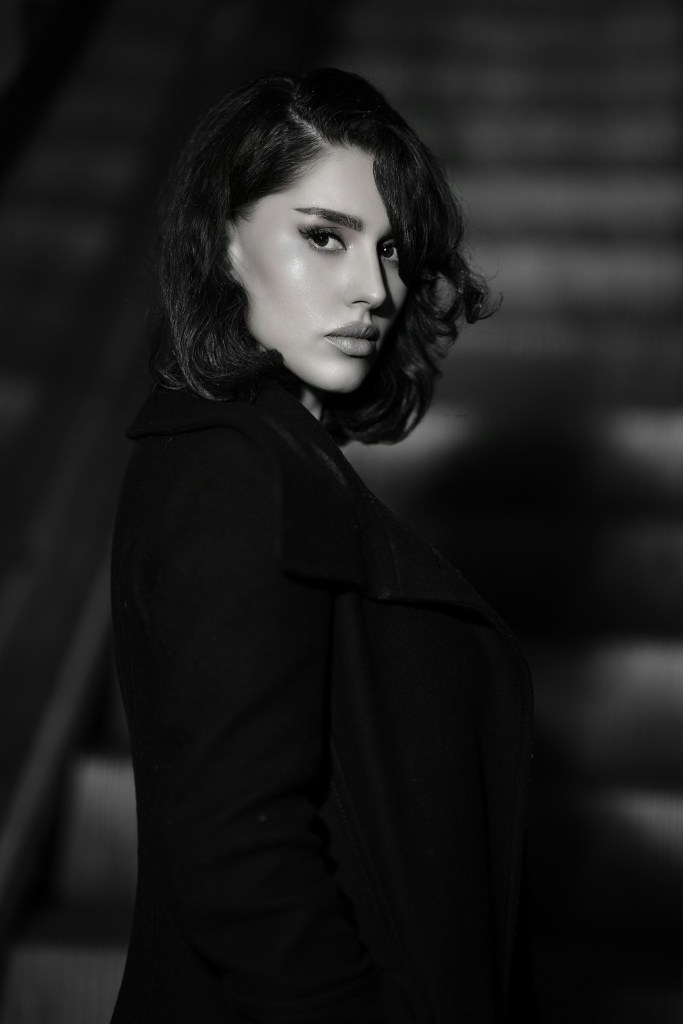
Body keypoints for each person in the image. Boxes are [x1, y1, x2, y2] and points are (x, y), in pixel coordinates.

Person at [110, 68, 535, 1023]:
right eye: (323, 237)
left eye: (391, 250)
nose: (373, 288)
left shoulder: (258, 457)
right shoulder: (235, 473)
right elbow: (237, 851)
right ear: (223, 240)